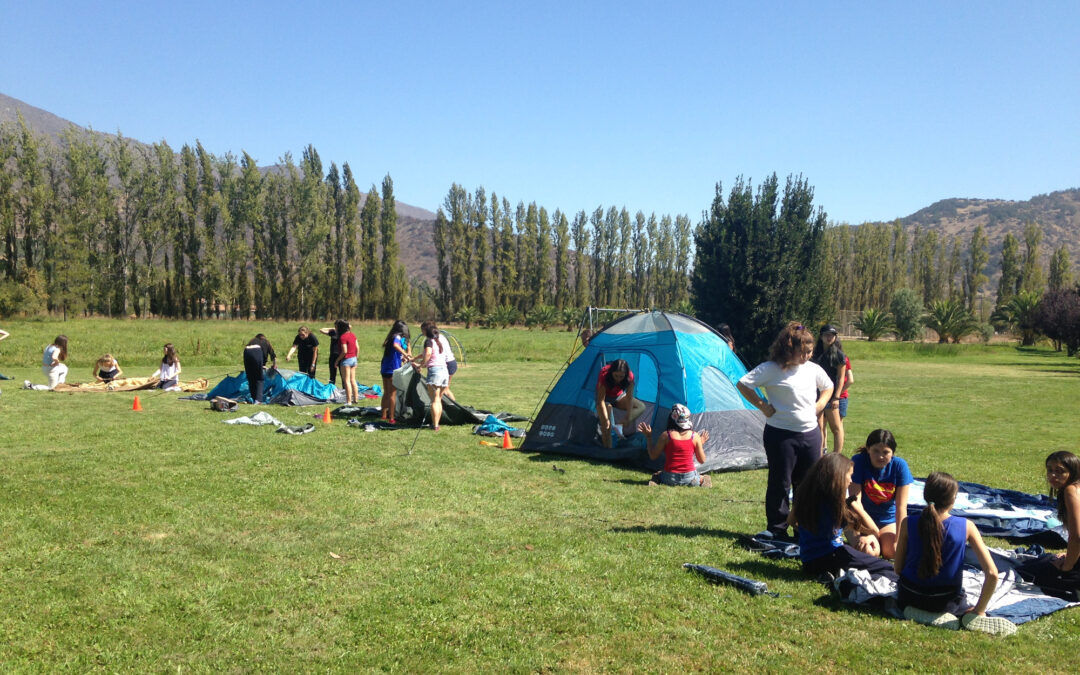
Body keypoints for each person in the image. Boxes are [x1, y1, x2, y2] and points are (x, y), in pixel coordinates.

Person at [737, 322, 833, 538]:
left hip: (810, 435)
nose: (808, 356)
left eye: (810, 352)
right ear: (789, 348)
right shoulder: (771, 369)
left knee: (807, 485)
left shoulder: (813, 369)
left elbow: (828, 386)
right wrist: (762, 405)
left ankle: (804, 529)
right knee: (780, 483)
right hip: (780, 436)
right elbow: (743, 384)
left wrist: (819, 406)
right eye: (804, 352)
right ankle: (777, 530)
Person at [894, 471, 1016, 634]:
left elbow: (898, 568)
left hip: (908, 595)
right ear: (953, 499)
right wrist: (979, 610)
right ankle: (963, 615)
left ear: (925, 495)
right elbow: (992, 574)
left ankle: (917, 610)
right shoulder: (966, 526)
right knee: (966, 604)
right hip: (946, 601)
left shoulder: (908, 522)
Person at [788, 452, 898, 582]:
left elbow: (791, 521)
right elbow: (874, 530)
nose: (851, 481)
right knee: (885, 567)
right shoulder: (837, 503)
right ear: (838, 476)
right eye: (850, 476)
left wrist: (810, 536)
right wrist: (854, 504)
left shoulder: (807, 494)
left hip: (808, 560)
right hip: (832, 555)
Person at [1017, 451, 1080, 601]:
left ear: (1073, 472)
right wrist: (1069, 555)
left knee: (1030, 574)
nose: (1052, 475)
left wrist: (1067, 567)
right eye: (1050, 470)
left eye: (1060, 471)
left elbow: (1077, 536)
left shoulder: (1071, 491)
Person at [846, 429, 912, 559]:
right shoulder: (859, 461)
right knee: (868, 551)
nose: (880, 456)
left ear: (892, 453)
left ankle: (881, 541)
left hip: (888, 521)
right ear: (868, 449)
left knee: (892, 552)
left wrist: (899, 540)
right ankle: (872, 542)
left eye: (886, 452)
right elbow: (855, 504)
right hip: (861, 519)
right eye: (876, 451)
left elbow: (901, 508)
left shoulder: (900, 466)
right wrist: (868, 532)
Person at [637, 404, 712, 487]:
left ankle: (655, 480)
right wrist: (700, 443)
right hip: (690, 478)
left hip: (669, 478)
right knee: (703, 477)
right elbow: (702, 460)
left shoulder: (666, 436)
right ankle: (702, 481)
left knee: (658, 474)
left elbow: (653, 456)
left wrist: (648, 437)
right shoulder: (695, 436)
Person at [595, 358, 646, 449]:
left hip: (618, 397)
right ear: (611, 373)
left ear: (625, 375)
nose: (618, 379)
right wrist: (606, 419)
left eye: (621, 377)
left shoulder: (630, 376)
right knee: (606, 425)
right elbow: (600, 401)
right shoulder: (605, 374)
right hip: (604, 398)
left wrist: (628, 417)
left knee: (641, 406)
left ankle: (619, 426)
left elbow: (629, 397)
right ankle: (608, 449)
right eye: (616, 376)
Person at [812, 324, 847, 453]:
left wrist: (836, 397)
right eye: (826, 335)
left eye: (832, 335)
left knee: (836, 428)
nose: (829, 337)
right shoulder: (814, 354)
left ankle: (837, 455)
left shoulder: (839, 355)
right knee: (818, 427)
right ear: (821, 336)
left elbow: (841, 378)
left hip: (831, 396)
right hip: (815, 395)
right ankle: (819, 454)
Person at [415, 322, 449, 430]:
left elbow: (428, 354)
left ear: (425, 331)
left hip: (435, 372)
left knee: (434, 400)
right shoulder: (439, 341)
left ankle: (435, 425)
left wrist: (421, 365)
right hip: (444, 372)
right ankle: (437, 424)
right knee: (438, 399)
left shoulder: (428, 341)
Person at [380, 320, 412, 422]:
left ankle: (384, 415)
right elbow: (396, 346)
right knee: (392, 394)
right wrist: (406, 354)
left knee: (386, 392)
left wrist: (403, 355)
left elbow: (396, 350)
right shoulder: (397, 337)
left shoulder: (390, 338)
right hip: (393, 369)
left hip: (385, 368)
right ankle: (392, 418)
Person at [243, 334, 276, 404]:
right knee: (259, 379)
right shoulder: (265, 342)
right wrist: (274, 365)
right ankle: (258, 400)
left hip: (246, 351)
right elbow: (272, 354)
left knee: (250, 377)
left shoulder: (252, 341)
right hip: (256, 351)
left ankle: (253, 398)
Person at [335, 320, 359, 405]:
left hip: (346, 360)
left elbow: (344, 351)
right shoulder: (353, 335)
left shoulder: (343, 337)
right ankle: (356, 398)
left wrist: (337, 360)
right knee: (353, 380)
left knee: (347, 381)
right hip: (354, 359)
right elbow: (357, 347)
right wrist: (356, 358)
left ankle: (349, 401)